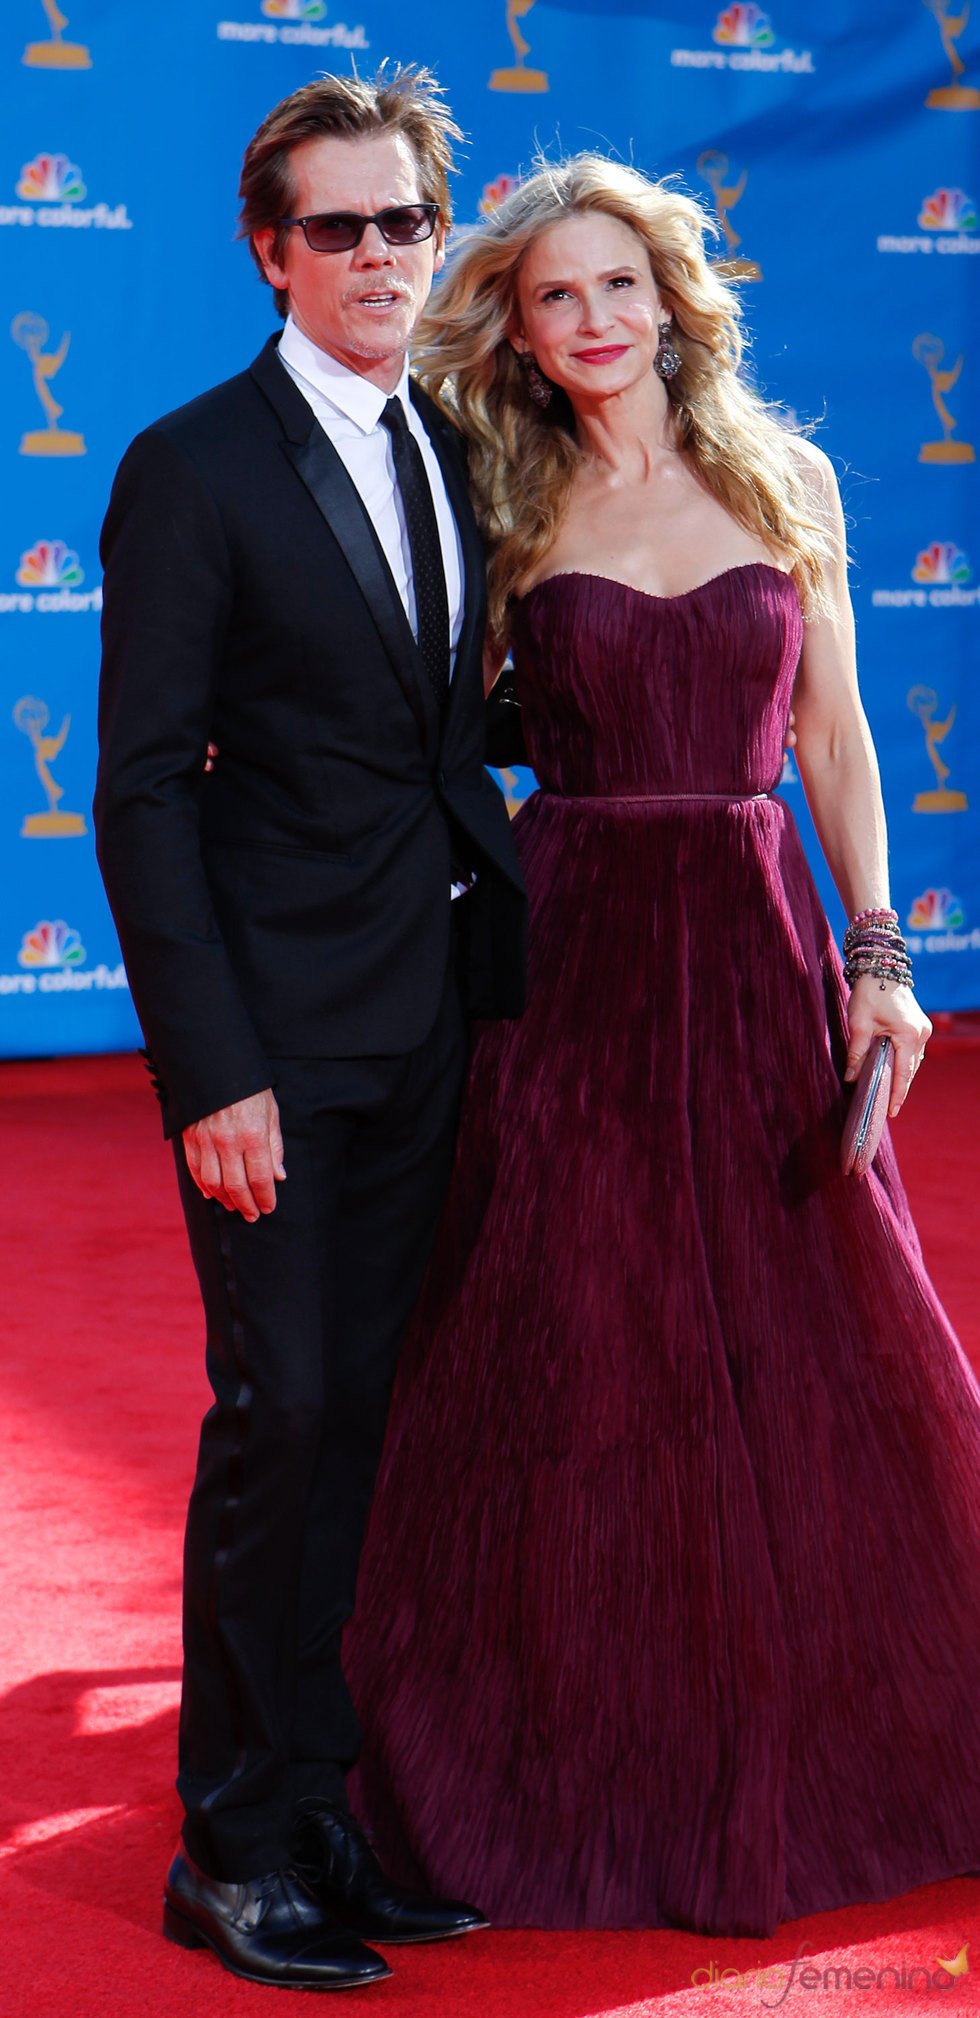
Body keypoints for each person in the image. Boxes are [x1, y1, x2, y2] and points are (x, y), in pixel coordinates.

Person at [343, 156, 980, 1939]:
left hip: (765, 930)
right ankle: (565, 1724)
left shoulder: (790, 478)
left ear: (677, 297)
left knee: (811, 1317)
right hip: (575, 948)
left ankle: (852, 1713)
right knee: (572, 1324)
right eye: (559, 295)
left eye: (623, 284)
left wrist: (880, 957)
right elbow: (428, 739)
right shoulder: (499, 495)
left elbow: (842, 747)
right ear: (524, 330)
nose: (596, 319)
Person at [93, 68, 526, 1992]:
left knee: (368, 1420)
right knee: (282, 1421)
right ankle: (233, 1842)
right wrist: (216, 1072)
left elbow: (437, 738)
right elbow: (143, 792)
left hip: (431, 1021)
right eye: (335, 229)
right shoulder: (191, 466)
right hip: (276, 1051)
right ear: (270, 254)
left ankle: (324, 1804)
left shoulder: (449, 442)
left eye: (402, 225)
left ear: (439, 237)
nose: (375, 259)